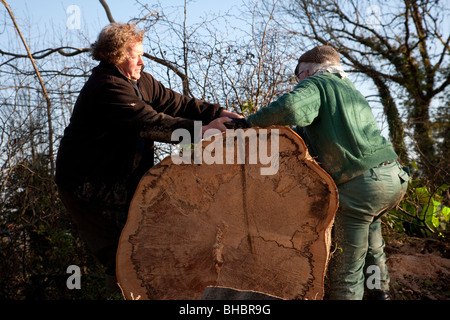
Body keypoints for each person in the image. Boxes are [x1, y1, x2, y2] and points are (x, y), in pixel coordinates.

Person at [55, 23, 240, 293]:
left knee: (146, 248)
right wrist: (204, 131)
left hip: (119, 182)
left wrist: (218, 112)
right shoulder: (106, 88)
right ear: (115, 56)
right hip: (89, 188)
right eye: (135, 55)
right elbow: (152, 123)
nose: (142, 61)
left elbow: (177, 104)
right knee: (124, 256)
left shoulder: (140, 81)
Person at [227, 45, 410, 300]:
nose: (298, 82)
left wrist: (247, 124)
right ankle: (380, 294)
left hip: (361, 185)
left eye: (298, 76)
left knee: (346, 268)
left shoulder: (317, 83)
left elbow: (291, 107)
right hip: (393, 178)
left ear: (309, 70)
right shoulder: (350, 90)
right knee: (373, 247)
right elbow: (314, 132)